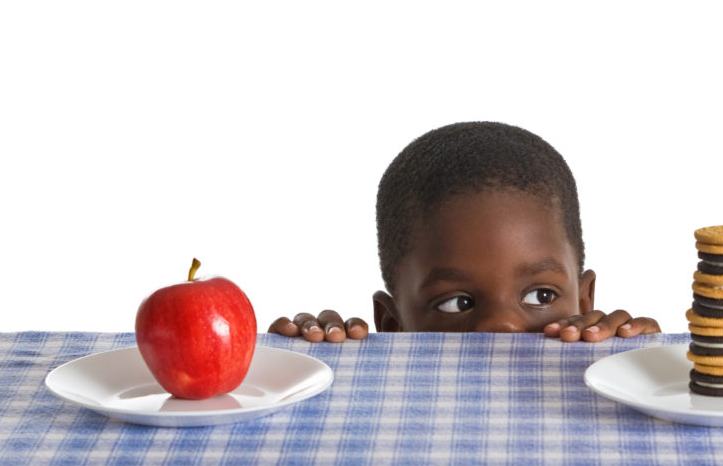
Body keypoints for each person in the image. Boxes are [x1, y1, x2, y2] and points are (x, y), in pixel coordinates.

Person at [269, 121, 660, 342]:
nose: (501, 325)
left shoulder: (607, 373)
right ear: (393, 325)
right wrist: (306, 361)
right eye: (456, 303)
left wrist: (638, 358)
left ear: (585, 302)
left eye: (542, 295)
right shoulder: (384, 404)